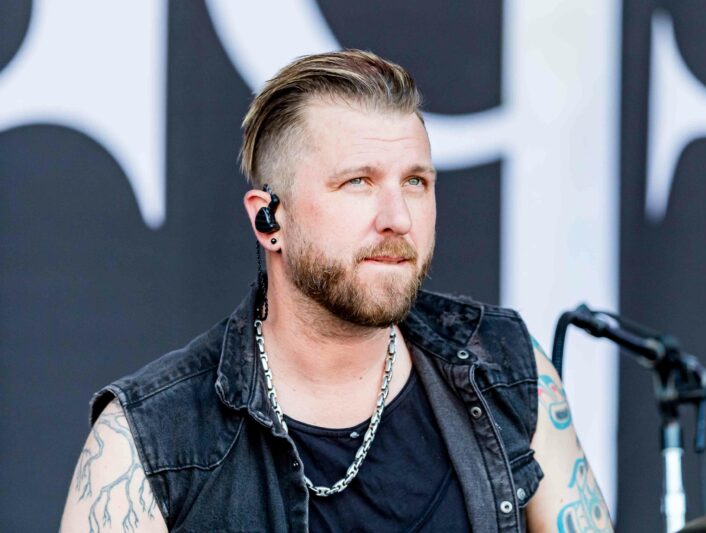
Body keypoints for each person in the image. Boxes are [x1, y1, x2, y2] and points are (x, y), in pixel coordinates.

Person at [60, 50, 612, 532]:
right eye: (358, 182)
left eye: (415, 182)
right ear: (269, 220)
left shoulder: (504, 364)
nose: (398, 217)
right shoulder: (149, 439)